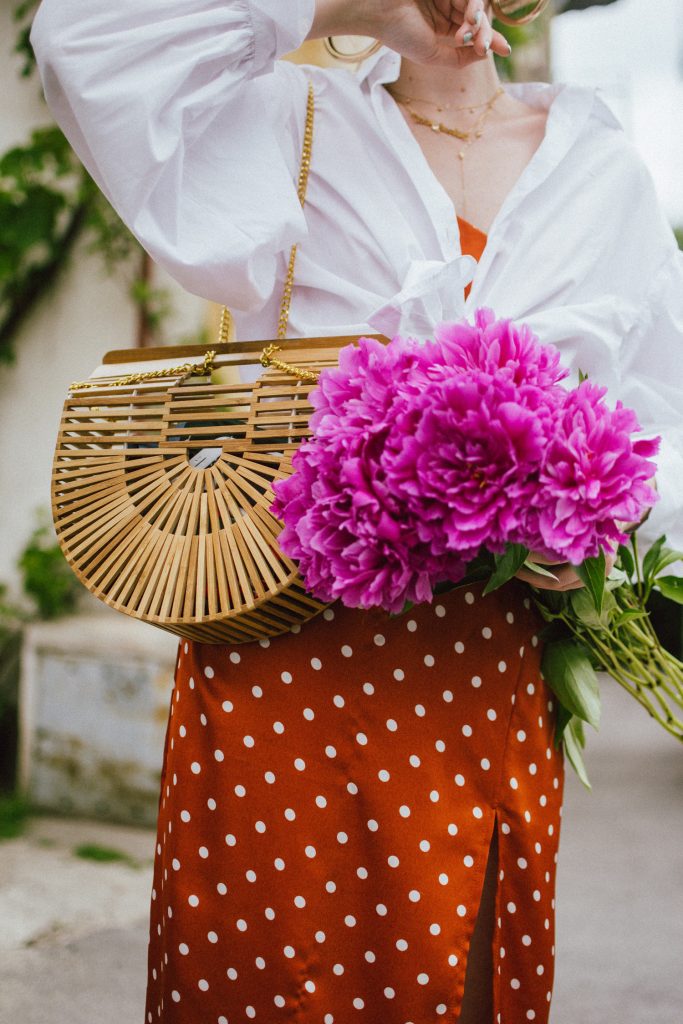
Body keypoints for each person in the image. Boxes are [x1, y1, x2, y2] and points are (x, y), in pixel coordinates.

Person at [31, 2, 683, 1022]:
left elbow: (658, 424)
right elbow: (81, 39)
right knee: (269, 988)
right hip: (285, 645)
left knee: (460, 983)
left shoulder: (607, 178)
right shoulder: (280, 117)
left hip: (480, 672)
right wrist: (355, 13)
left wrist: (596, 532)